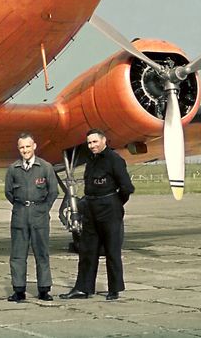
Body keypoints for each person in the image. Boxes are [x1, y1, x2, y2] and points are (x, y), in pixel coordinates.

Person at [60, 128, 134, 301]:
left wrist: (115, 204)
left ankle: (114, 289)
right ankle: (83, 288)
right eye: (89, 143)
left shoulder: (115, 160)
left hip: (109, 209)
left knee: (112, 250)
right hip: (90, 208)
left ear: (104, 141)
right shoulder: (90, 160)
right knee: (87, 250)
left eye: (95, 142)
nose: (92, 145)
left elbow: (127, 187)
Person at [4, 133, 59, 302]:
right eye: (21, 147)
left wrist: (43, 209)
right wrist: (22, 206)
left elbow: (53, 191)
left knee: (41, 253)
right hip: (20, 214)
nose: (25, 150)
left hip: (39, 215)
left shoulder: (45, 167)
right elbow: (9, 192)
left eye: (28, 146)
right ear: (18, 148)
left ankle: (44, 289)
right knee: (18, 254)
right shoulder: (13, 169)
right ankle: (19, 289)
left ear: (34, 146)